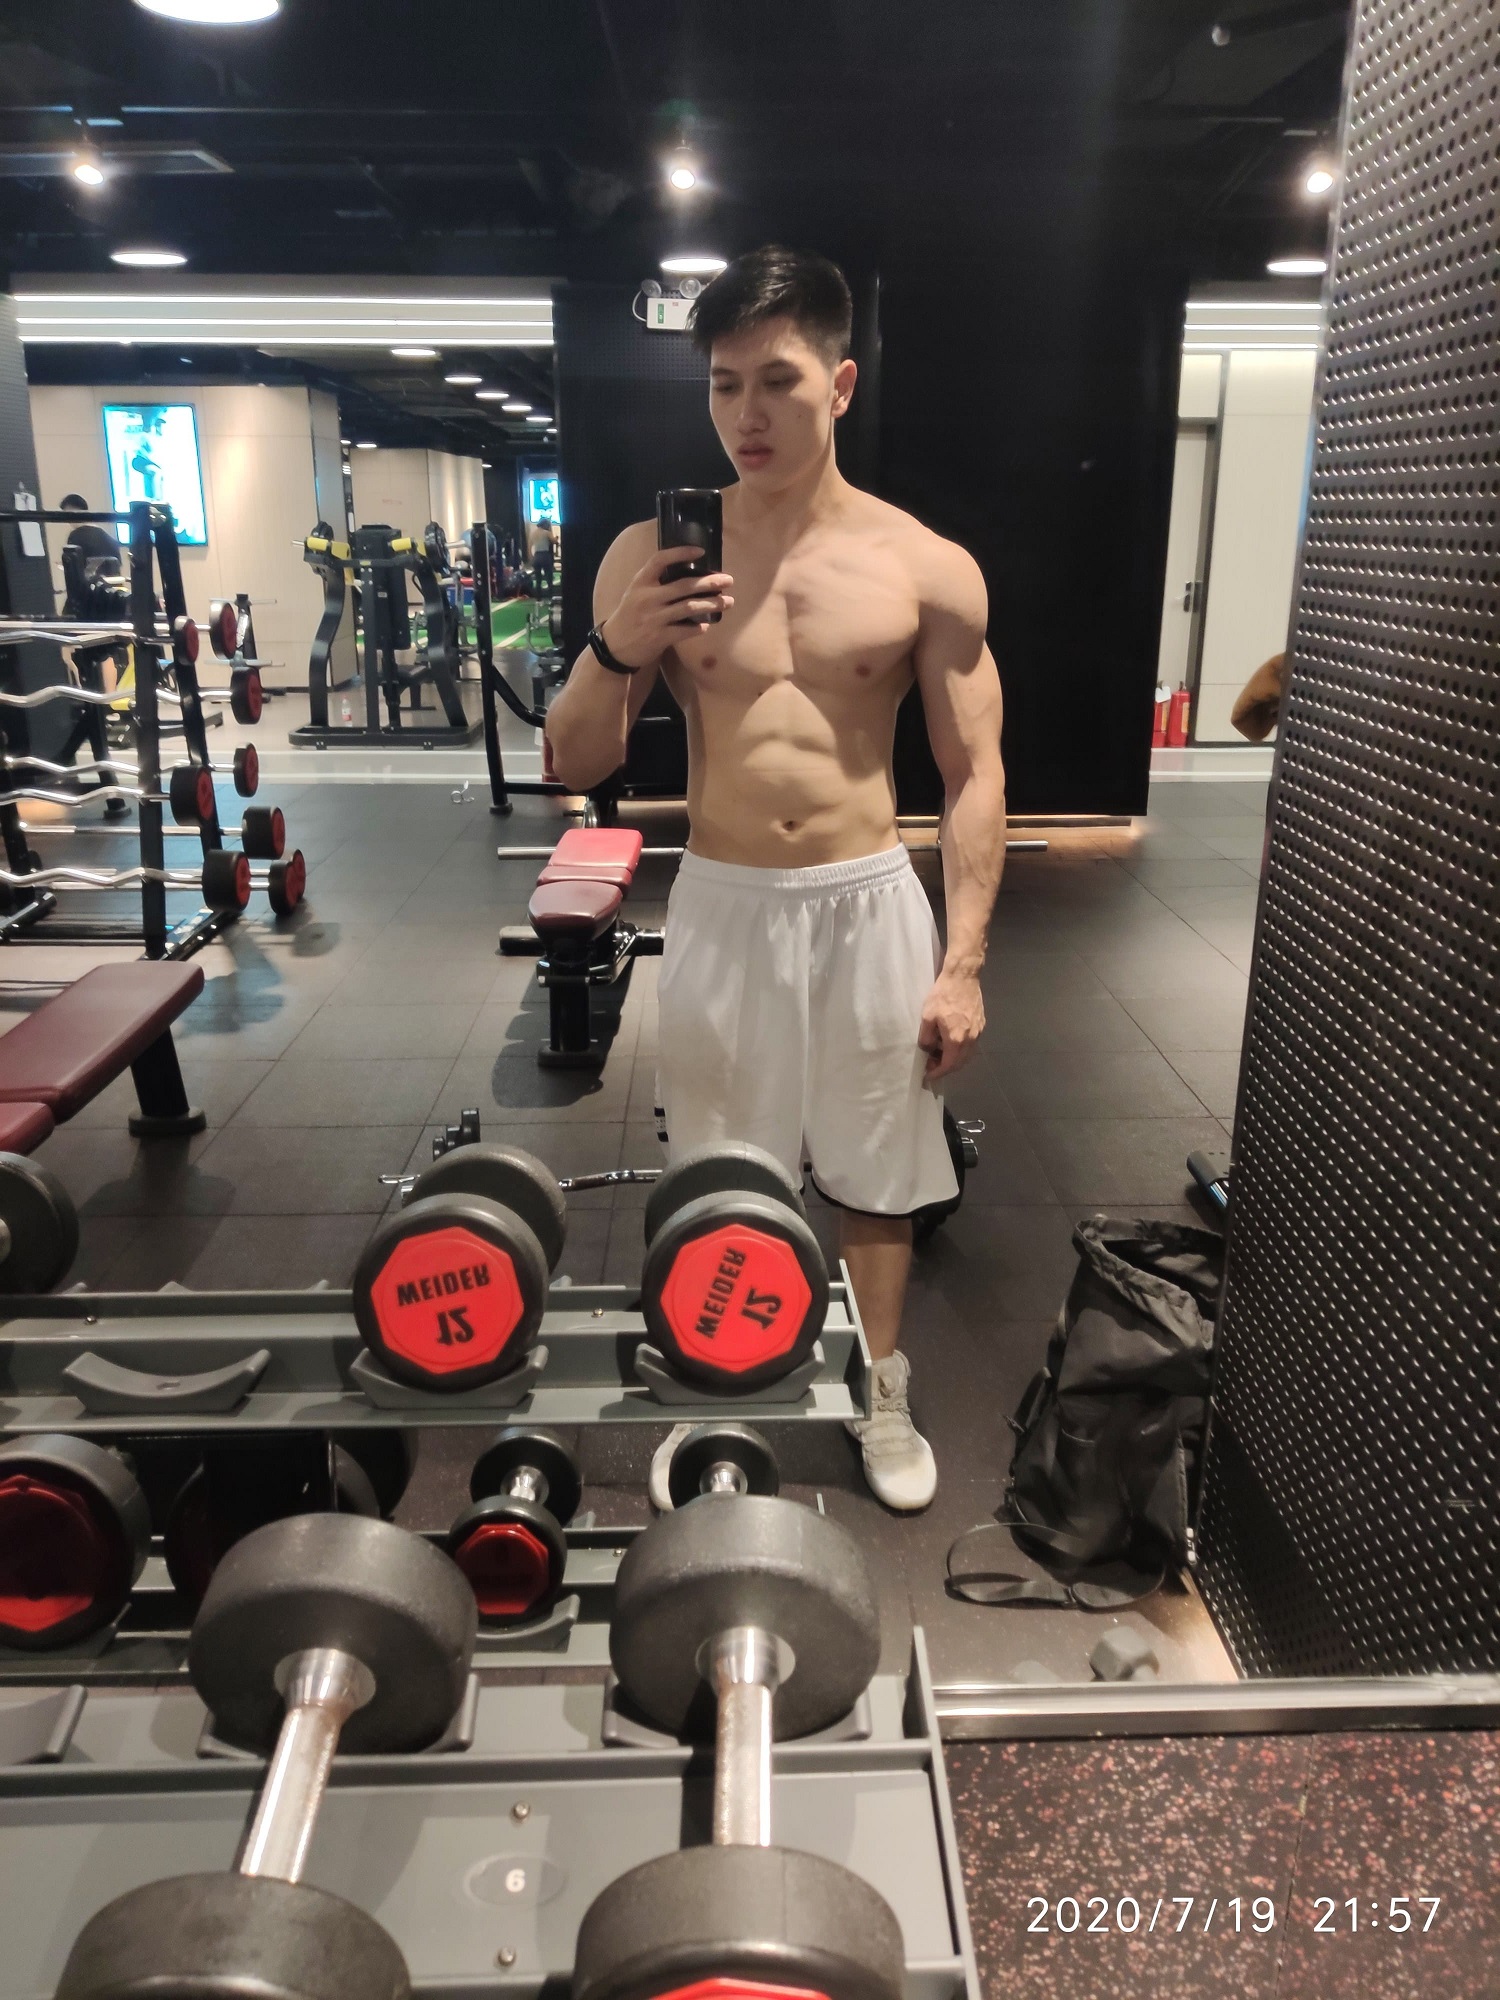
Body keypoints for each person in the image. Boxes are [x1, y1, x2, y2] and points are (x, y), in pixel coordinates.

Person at [544, 246, 1007, 1512]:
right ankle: (716, 1383)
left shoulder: (925, 564)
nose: (746, 413)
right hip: (726, 899)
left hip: (868, 899)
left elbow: (974, 773)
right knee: (719, 1173)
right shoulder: (652, 554)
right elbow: (574, 761)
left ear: (840, 385)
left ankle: (878, 1384)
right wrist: (616, 646)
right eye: (724, 384)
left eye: (778, 381)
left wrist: (963, 963)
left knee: (877, 1167)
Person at [58, 493, 122, 570]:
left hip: (87, 577)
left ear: (71, 510)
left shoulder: (75, 536)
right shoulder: (108, 537)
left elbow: (73, 567)